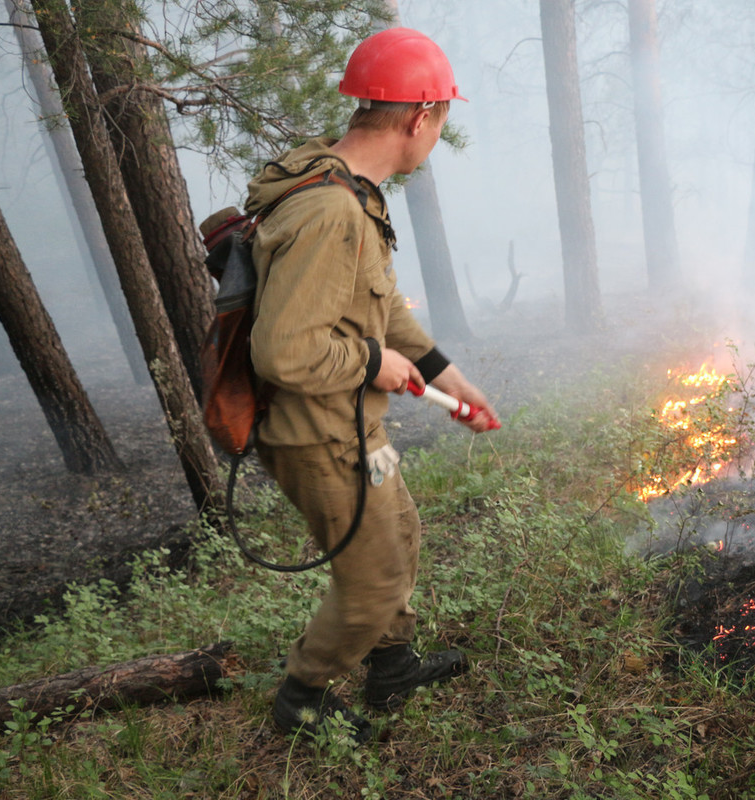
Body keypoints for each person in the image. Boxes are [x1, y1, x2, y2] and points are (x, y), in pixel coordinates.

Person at [244, 27, 499, 744]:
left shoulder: (349, 191)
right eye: (441, 123)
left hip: (352, 423)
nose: (435, 137)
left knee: (401, 536)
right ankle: (302, 698)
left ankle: (392, 665)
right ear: (420, 120)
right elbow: (282, 350)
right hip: (318, 434)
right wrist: (370, 362)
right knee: (373, 582)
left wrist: (452, 378)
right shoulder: (332, 212)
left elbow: (378, 308)